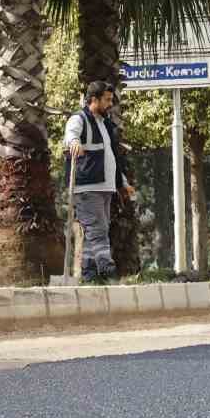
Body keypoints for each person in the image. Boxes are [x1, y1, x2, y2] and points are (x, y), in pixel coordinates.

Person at [63, 81, 134, 282]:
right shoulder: (79, 119)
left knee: (93, 232)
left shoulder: (105, 123)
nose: (110, 104)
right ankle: (108, 270)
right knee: (98, 229)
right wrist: (74, 143)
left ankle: (89, 273)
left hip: (106, 187)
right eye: (107, 100)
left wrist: (123, 182)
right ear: (94, 99)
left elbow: (112, 158)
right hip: (87, 187)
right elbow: (70, 135)